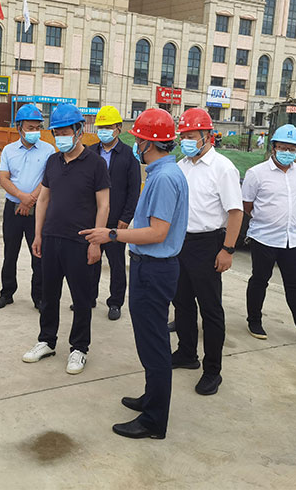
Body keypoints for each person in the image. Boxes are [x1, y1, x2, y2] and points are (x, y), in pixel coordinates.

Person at [80, 108, 188, 440]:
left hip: (154, 269)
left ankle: (154, 420)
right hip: (150, 267)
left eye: (139, 139)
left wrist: (111, 234)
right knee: (148, 340)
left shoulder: (165, 178)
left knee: (154, 344)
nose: (136, 144)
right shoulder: (162, 172)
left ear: (148, 144)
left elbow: (157, 232)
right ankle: (151, 398)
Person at [23, 103, 110, 375]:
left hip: (81, 242)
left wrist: (96, 242)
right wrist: (38, 234)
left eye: (65, 131)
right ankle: (46, 341)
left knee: (81, 298)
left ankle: (79, 348)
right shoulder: (53, 161)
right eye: (56, 132)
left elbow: (104, 205)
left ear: (79, 130)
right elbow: (43, 200)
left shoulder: (96, 163)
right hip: (51, 238)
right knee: (49, 295)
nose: (60, 137)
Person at [172, 108, 243, 396]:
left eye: (191, 136)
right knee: (182, 303)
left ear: (207, 136)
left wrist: (227, 249)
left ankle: (212, 370)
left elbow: (236, 212)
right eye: (183, 136)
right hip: (180, 242)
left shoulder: (223, 168)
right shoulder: (181, 166)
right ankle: (187, 352)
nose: (186, 141)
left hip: (208, 244)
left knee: (210, 309)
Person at [241, 123, 296, 344]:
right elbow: (247, 205)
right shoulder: (256, 173)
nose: (287, 152)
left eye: (292, 149)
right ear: (273, 148)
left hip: (293, 238)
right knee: (260, 280)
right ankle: (254, 321)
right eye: (283, 147)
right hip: (264, 237)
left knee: (295, 284)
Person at [0, 103, 54, 310]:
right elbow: (4, 178)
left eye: (38, 127)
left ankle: (39, 297)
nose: (35, 131)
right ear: (19, 127)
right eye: (30, 128)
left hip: (38, 211)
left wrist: (30, 200)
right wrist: (21, 198)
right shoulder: (9, 150)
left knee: (38, 254)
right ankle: (7, 293)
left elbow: (47, 179)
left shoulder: (48, 150)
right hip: (12, 209)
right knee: (10, 254)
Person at [90, 105, 141, 320]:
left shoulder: (129, 155)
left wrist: (126, 218)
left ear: (118, 128)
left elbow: (134, 189)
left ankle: (115, 302)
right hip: (92, 218)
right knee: (90, 259)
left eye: (108, 127)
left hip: (116, 221)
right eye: (101, 127)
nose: (103, 131)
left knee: (116, 264)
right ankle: (88, 297)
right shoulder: (90, 152)